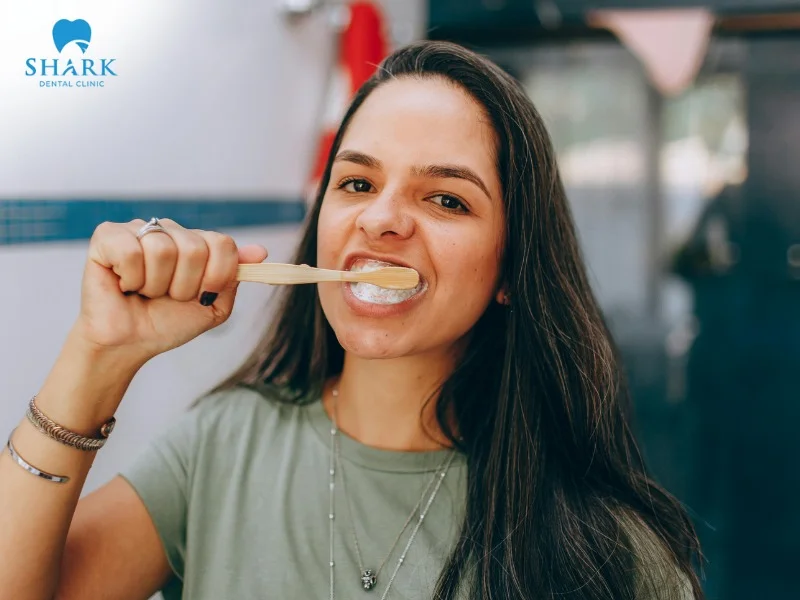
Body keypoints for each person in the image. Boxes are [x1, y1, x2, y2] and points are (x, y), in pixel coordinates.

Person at [0, 40, 702, 600]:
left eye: (447, 200)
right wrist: (97, 356)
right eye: (358, 183)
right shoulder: (222, 447)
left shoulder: (615, 556)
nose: (382, 218)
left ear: (512, 271)